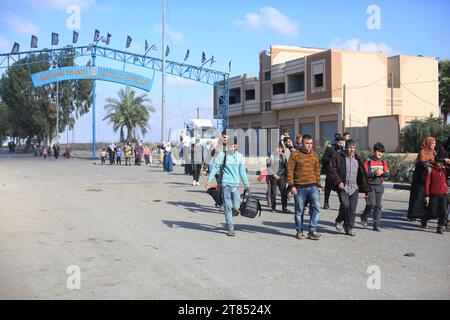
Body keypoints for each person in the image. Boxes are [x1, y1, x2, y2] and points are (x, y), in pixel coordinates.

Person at [207, 136, 250, 237]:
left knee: (236, 206)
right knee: (228, 206)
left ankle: (232, 214)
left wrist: (247, 184)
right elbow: (215, 167)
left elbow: (242, 171)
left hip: (235, 185)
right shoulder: (222, 155)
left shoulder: (240, 157)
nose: (231, 148)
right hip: (225, 184)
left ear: (236, 146)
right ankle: (230, 227)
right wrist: (209, 180)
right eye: (229, 146)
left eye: (233, 146)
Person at [327, 139, 371, 236]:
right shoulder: (338, 157)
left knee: (352, 209)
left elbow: (363, 173)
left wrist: (365, 187)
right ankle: (339, 220)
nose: (352, 150)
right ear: (345, 147)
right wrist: (338, 182)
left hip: (354, 187)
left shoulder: (358, 159)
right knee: (345, 205)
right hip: (342, 186)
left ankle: (349, 228)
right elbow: (331, 170)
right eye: (350, 147)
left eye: (353, 147)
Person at [287, 134, 322, 240]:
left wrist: (319, 185)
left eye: (311, 143)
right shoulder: (295, 155)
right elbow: (290, 171)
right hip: (299, 187)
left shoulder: (314, 155)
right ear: (302, 143)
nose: (309, 145)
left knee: (316, 208)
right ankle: (299, 231)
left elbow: (317, 171)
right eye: (307, 143)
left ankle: (312, 230)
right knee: (299, 210)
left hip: (313, 187)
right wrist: (292, 185)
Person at [360, 142, 390, 232]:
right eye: (378, 151)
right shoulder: (368, 161)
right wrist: (374, 173)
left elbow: (388, 173)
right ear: (374, 151)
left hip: (379, 186)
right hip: (370, 186)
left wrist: (382, 173)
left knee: (378, 206)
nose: (380, 153)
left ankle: (376, 224)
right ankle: (364, 217)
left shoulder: (383, 162)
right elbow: (364, 174)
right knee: (371, 204)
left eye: (381, 152)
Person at [407, 137, 436, 221]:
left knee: (425, 197)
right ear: (428, 143)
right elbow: (424, 164)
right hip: (420, 178)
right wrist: (432, 163)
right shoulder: (422, 152)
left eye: (435, 143)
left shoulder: (433, 152)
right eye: (433, 143)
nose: (434, 145)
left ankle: (422, 214)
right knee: (417, 196)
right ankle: (413, 215)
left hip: (427, 178)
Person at [423, 156, 449, 234]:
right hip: (434, 195)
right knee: (433, 212)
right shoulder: (431, 170)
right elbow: (427, 183)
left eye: (441, 162)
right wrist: (426, 195)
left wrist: (448, 162)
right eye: (438, 162)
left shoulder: (444, 169)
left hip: (444, 194)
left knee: (443, 212)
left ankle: (439, 227)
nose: (440, 164)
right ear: (435, 162)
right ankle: (424, 218)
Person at [321, 136, 346, 209]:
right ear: (336, 142)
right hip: (330, 171)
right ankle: (326, 202)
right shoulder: (330, 149)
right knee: (328, 188)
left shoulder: (343, 150)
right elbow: (323, 159)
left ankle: (342, 203)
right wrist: (332, 159)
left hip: (339, 172)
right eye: (339, 142)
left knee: (340, 188)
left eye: (342, 142)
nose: (341, 144)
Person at [266, 144, 290, 213]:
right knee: (273, 193)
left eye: (280, 148)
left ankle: (284, 208)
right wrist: (274, 174)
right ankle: (273, 208)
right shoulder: (270, 157)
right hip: (273, 177)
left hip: (282, 177)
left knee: (283, 193)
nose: (279, 150)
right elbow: (268, 167)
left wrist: (288, 176)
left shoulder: (284, 157)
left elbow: (286, 167)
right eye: (278, 148)